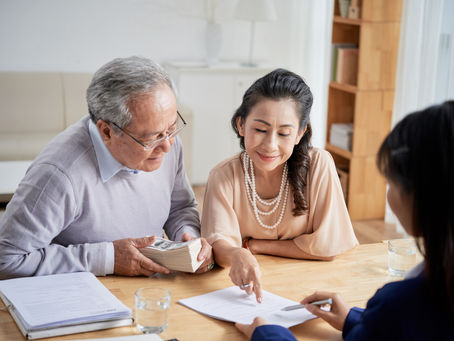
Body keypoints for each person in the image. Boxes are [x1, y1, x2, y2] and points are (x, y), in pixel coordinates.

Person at [235, 100, 454, 340]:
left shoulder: (401, 304)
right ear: (241, 126)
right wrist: (357, 320)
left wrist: (266, 333)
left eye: (390, 182)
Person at [0, 56, 213, 279]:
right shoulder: (58, 176)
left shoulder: (166, 139)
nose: (168, 145)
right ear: (107, 132)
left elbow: (179, 207)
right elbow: (7, 259)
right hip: (84, 294)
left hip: (149, 286)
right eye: (151, 138)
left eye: (171, 128)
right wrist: (107, 258)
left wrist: (187, 237)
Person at [201, 69, 358, 302]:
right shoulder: (223, 175)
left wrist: (254, 246)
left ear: (300, 133)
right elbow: (218, 246)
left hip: (311, 288)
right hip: (248, 294)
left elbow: (327, 248)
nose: (270, 145)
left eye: (284, 133)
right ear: (241, 125)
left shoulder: (318, 166)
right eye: (260, 130)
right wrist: (236, 254)